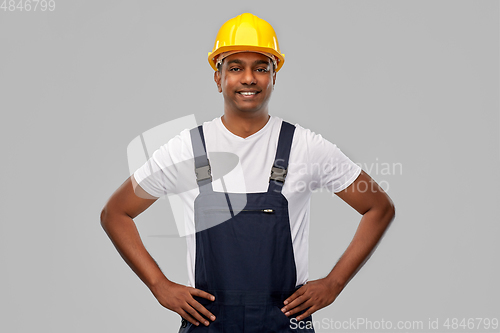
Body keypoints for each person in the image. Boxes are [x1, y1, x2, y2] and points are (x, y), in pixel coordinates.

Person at [100, 13, 395, 332]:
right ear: (218, 78)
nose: (249, 78)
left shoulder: (305, 146)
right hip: (208, 323)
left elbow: (378, 207)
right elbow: (115, 213)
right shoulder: (185, 149)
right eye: (236, 67)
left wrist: (335, 283)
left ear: (274, 76)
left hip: (284, 324)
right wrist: (159, 284)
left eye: (261, 68)